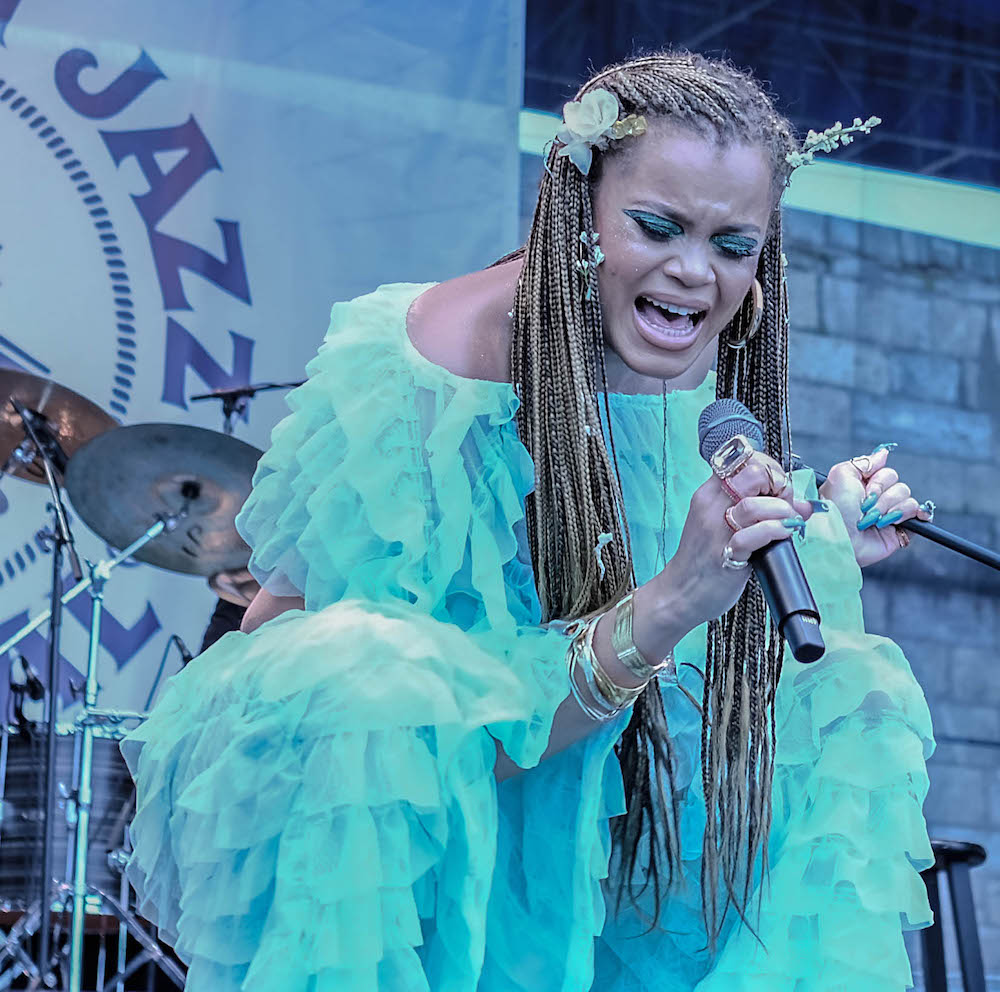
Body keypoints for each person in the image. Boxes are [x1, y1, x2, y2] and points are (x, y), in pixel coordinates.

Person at [121, 51, 936, 991]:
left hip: (586, 789)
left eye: (733, 245)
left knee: (859, 693)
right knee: (371, 681)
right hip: (396, 827)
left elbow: (667, 586)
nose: (692, 273)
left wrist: (825, 530)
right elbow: (415, 737)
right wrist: (669, 602)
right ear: (577, 205)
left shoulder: (683, 360)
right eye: (658, 225)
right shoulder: (437, 370)